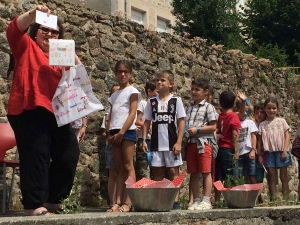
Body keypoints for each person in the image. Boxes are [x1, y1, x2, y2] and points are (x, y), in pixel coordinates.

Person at [6, 5, 81, 216]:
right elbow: (13, 30)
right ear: (35, 32)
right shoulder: (26, 46)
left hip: (57, 111)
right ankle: (34, 205)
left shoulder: (60, 56)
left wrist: (69, 52)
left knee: (69, 152)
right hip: (29, 108)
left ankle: (54, 199)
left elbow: (79, 78)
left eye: (54, 31)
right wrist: (34, 14)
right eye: (45, 29)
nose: (49, 34)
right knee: (36, 154)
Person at [142, 70, 186, 210]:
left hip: (171, 142)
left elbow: (181, 121)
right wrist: (144, 139)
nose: (159, 82)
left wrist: (179, 142)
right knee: (158, 172)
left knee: (173, 171)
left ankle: (175, 200)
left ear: (171, 84)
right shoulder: (152, 101)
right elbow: (147, 121)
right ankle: (159, 200)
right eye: (157, 80)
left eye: (162, 80)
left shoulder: (176, 100)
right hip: (156, 143)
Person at [107, 60, 140, 212]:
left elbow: (132, 113)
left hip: (126, 131)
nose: (123, 74)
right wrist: (110, 133)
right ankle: (118, 201)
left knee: (128, 165)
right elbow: (111, 115)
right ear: (115, 73)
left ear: (130, 74)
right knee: (118, 167)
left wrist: (122, 132)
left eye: (126, 71)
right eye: (120, 71)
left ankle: (129, 201)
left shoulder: (132, 91)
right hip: (114, 131)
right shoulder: (114, 95)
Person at [185, 78, 217, 210]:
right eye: (192, 89)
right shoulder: (189, 107)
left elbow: (213, 127)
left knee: (205, 171)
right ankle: (196, 200)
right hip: (191, 143)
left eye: (197, 89)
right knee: (193, 172)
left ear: (205, 92)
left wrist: (197, 130)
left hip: (204, 143)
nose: (193, 92)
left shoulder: (209, 107)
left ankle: (206, 200)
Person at [257, 97, 292, 201]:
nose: (271, 110)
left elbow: (287, 136)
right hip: (269, 153)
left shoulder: (281, 121)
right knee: (272, 177)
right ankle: (274, 199)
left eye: (274, 108)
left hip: (281, 151)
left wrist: (285, 150)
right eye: (269, 108)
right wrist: (259, 154)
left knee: (284, 177)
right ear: (265, 109)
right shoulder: (262, 125)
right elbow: (259, 141)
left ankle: (286, 200)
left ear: (277, 109)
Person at [215, 91, 241, 202]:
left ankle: (216, 200)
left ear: (221, 103)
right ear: (234, 103)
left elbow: (218, 131)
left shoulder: (221, 116)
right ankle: (232, 199)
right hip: (229, 148)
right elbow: (235, 134)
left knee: (219, 176)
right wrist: (237, 151)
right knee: (231, 175)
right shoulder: (233, 116)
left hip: (220, 148)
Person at [135, 81, 158, 180]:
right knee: (142, 168)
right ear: (149, 92)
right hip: (143, 140)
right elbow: (137, 120)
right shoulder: (143, 103)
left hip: (154, 140)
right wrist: (149, 126)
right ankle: (140, 191)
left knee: (155, 168)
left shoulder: (157, 105)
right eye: (157, 91)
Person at [101, 84, 119, 212]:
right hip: (111, 143)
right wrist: (109, 134)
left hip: (123, 142)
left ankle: (121, 201)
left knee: (124, 171)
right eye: (114, 93)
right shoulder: (108, 110)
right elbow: (103, 130)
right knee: (112, 172)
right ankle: (113, 201)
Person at [70, 44, 87, 142]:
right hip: (60, 122)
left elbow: (84, 101)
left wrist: (84, 125)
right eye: (74, 56)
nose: (76, 59)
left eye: (78, 56)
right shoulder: (60, 72)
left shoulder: (81, 79)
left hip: (76, 124)